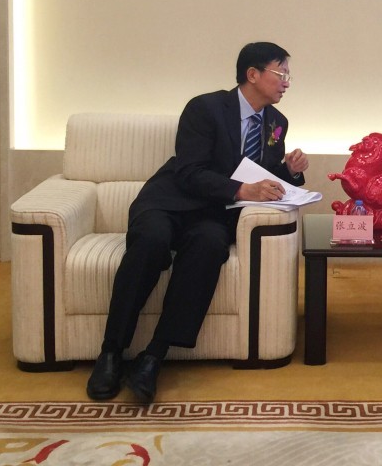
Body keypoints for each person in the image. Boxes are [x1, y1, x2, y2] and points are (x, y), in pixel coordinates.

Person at [86, 41, 309, 403]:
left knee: (209, 246)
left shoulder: (277, 123)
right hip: (170, 202)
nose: (286, 82)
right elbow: (190, 171)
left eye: (288, 76)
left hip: (213, 214)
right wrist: (241, 190)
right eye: (280, 73)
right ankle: (111, 352)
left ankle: (153, 356)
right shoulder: (205, 108)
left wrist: (290, 173)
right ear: (253, 74)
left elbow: (261, 175)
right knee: (151, 242)